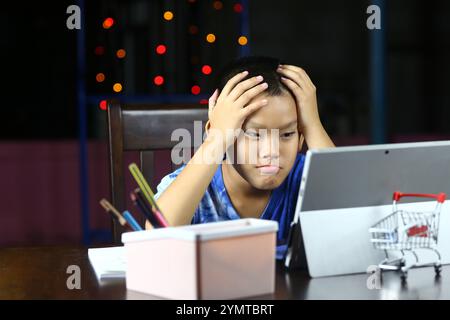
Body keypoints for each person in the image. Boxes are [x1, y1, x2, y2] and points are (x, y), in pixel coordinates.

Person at [150, 56, 335, 258]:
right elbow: (156, 239)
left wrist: (313, 125)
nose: (271, 151)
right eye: (255, 134)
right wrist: (216, 139)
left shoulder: (309, 177)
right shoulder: (194, 187)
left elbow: (353, 213)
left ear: (301, 138)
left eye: (287, 134)